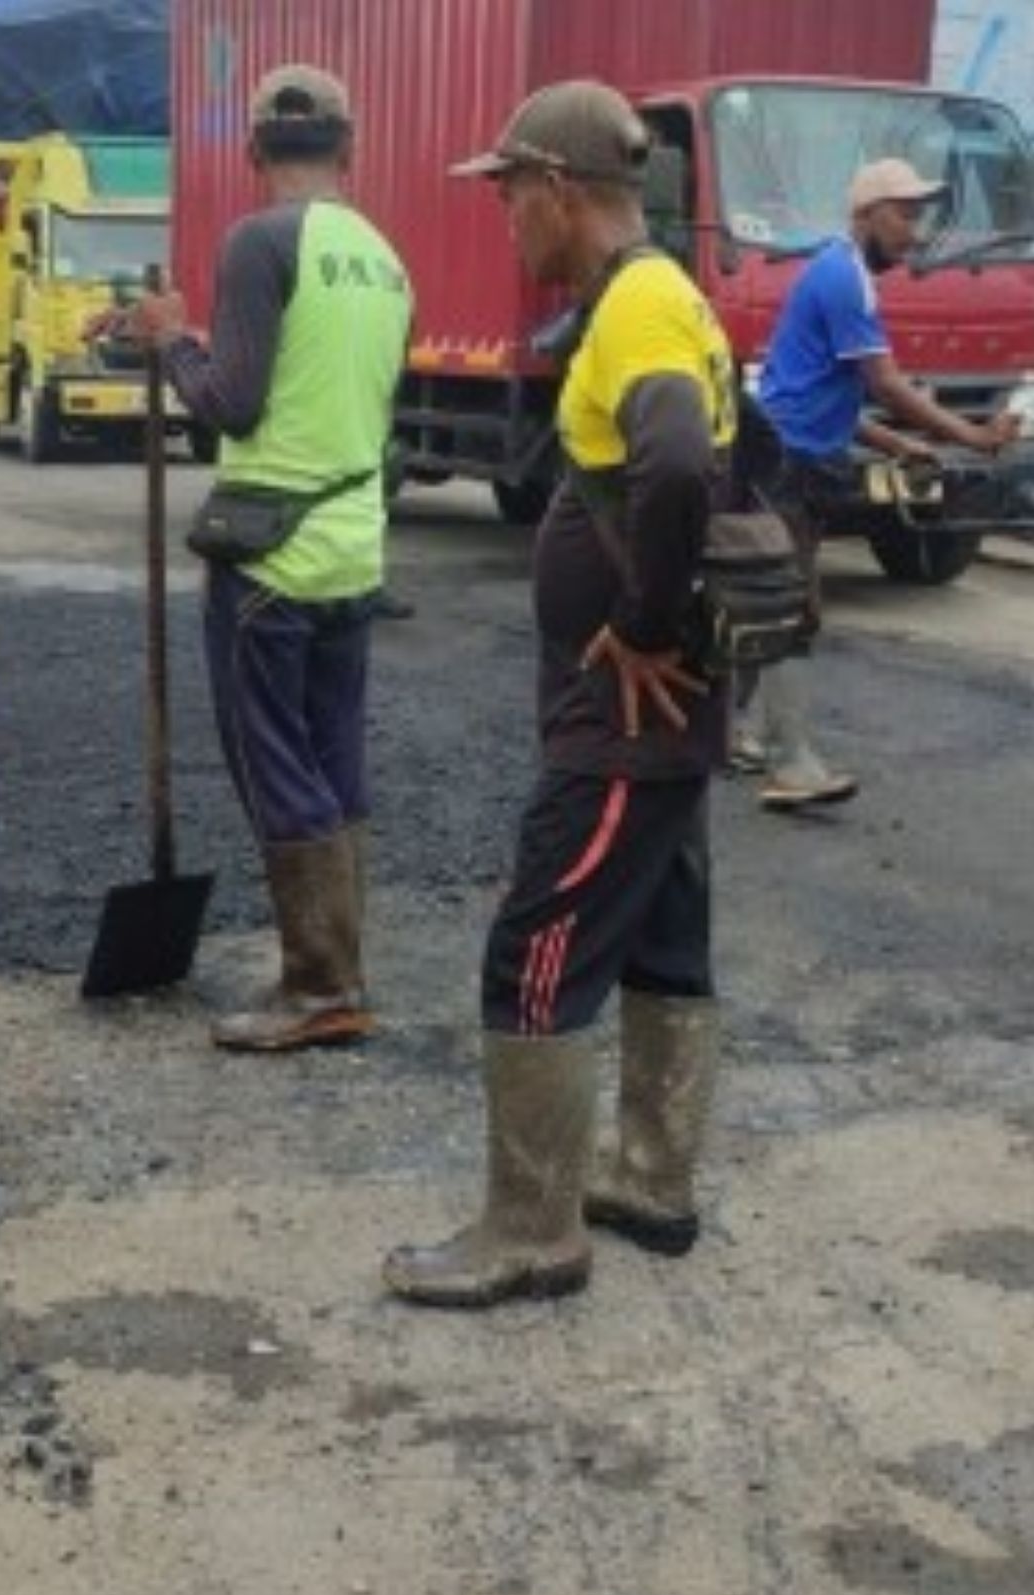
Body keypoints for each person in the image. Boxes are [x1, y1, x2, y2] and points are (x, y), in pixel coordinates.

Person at [383, 83, 731, 1309]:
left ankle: (532, 1230)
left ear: (563, 191)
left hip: (623, 718)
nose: (503, 219)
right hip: (670, 722)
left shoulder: (636, 307)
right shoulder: (661, 295)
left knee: (536, 947)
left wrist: (637, 623)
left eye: (509, 194)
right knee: (663, 934)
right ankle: (651, 1180)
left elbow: (680, 456)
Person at [110, 65, 411, 1055]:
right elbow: (307, 384)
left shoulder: (258, 239)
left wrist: (168, 344)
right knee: (335, 759)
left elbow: (232, 403)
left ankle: (319, 985)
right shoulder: (381, 257)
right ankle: (342, 968)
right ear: (349, 148)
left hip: (270, 558)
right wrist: (186, 337)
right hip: (350, 548)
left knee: (276, 762)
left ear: (250, 152)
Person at [738, 158, 1023, 813]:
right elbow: (885, 383)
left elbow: (822, 392)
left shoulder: (837, 271)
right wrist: (973, 436)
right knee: (791, 607)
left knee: (771, 599)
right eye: (904, 214)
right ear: (866, 214)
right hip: (788, 464)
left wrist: (896, 442)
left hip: (794, 458)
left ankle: (752, 733)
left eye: (919, 216)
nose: (914, 232)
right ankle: (792, 764)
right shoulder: (846, 279)